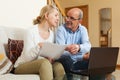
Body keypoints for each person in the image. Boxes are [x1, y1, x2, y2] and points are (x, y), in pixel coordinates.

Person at [14, 5, 65, 80]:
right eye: (56, 15)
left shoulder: (52, 34)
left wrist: (51, 57)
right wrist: (39, 46)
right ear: (47, 15)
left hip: (41, 63)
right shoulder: (31, 31)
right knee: (44, 63)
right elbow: (27, 57)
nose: (58, 18)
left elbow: (47, 55)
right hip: (22, 65)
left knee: (58, 66)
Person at [55, 8, 91, 80]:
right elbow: (60, 51)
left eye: (71, 18)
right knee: (67, 58)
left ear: (79, 21)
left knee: (95, 63)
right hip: (66, 61)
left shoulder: (83, 29)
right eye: (67, 16)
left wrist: (79, 47)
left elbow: (88, 45)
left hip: (77, 62)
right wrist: (82, 56)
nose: (67, 20)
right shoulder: (61, 30)